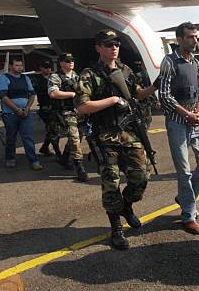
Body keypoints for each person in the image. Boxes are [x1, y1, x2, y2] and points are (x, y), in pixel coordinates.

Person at [75, 29, 157, 250]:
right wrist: (111, 100)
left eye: (117, 44)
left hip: (129, 133)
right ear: (98, 47)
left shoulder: (125, 70)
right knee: (111, 184)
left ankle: (127, 206)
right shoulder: (89, 74)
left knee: (141, 176)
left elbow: (137, 94)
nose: (114, 48)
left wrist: (156, 85)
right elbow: (82, 107)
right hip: (106, 135)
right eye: (108, 44)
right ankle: (116, 228)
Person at [158, 22, 199, 235]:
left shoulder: (196, 63)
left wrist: (198, 110)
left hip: (195, 119)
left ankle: (184, 199)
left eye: (195, 36)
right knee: (184, 171)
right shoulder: (169, 62)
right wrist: (186, 114)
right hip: (177, 122)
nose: (194, 40)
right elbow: (163, 94)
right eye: (190, 37)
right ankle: (188, 214)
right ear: (179, 40)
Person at [49, 53, 88, 182]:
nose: (71, 62)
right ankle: (80, 168)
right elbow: (53, 93)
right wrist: (72, 94)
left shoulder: (78, 76)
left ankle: (64, 158)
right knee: (74, 137)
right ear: (61, 63)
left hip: (80, 111)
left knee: (79, 135)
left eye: (72, 60)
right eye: (67, 60)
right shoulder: (56, 77)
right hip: (66, 111)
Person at [0, 59, 42, 170]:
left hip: (25, 113)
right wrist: (17, 109)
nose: (20, 67)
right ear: (11, 66)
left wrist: (27, 108)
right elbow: (3, 96)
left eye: (21, 65)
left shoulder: (25, 78)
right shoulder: (4, 78)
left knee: (28, 137)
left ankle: (33, 161)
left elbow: (32, 95)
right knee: (11, 137)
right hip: (10, 114)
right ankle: (10, 159)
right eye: (17, 65)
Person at [31, 60, 61, 156]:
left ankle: (44, 148)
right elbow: (34, 91)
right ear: (41, 68)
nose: (48, 69)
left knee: (52, 129)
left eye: (49, 67)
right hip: (45, 108)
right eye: (45, 67)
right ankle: (58, 153)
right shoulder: (37, 80)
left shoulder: (54, 78)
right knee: (53, 130)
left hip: (55, 107)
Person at [132, 59, 158, 129]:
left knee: (146, 120)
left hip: (144, 101)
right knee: (145, 121)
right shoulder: (144, 74)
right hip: (142, 101)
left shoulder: (144, 74)